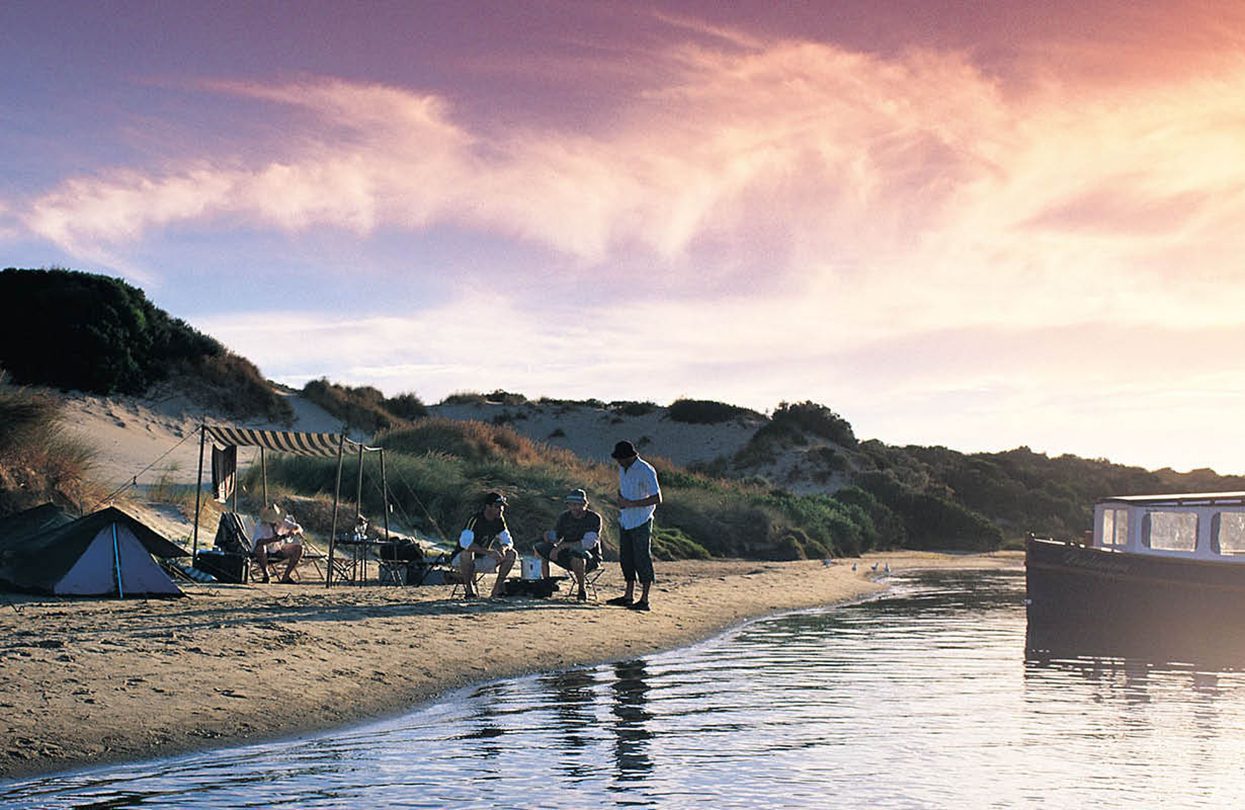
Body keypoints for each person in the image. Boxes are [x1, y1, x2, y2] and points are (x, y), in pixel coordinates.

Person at [607, 440, 661, 612]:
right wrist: (621, 502)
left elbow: (657, 498)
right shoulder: (623, 468)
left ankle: (644, 599)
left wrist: (631, 504)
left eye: (620, 459)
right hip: (626, 520)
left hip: (641, 520)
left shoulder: (646, 470)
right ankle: (628, 595)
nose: (618, 462)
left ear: (629, 457)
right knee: (626, 559)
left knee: (642, 558)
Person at [534, 488, 602, 602]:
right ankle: (546, 583)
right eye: (571, 504)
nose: (574, 508)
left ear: (584, 504)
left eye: (577, 504)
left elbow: (588, 544)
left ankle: (581, 589)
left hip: (590, 557)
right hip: (567, 554)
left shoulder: (593, 518)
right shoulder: (564, 517)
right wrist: (549, 536)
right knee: (539, 548)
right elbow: (557, 537)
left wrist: (562, 546)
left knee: (577, 554)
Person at [455, 492, 518, 598]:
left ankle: (496, 590)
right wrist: (488, 552)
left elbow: (508, 541)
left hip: (483, 559)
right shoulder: (475, 519)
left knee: (511, 554)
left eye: (502, 507)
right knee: (467, 553)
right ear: (488, 507)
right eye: (497, 507)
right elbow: (465, 544)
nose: (501, 510)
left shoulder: (499, 521)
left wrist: (503, 548)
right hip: (462, 559)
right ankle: (470, 591)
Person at [252, 503, 305, 583]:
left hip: (279, 548)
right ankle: (266, 575)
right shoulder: (261, 525)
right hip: (265, 551)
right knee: (261, 547)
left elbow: (299, 527)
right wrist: (272, 539)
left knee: (299, 549)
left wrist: (293, 531)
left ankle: (286, 576)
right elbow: (258, 541)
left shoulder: (282, 521)